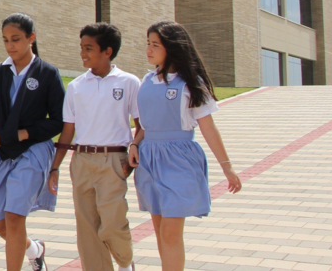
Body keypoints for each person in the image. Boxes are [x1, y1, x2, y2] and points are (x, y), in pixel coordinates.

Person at [128, 20, 242, 271]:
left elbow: (208, 127)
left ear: (171, 48)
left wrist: (227, 167)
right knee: (160, 230)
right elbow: (146, 124)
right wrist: (135, 144)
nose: (148, 49)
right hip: (149, 159)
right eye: (148, 43)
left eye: (155, 45)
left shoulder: (191, 83)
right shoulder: (147, 81)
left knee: (170, 231)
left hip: (179, 159)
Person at [47, 23, 140, 271]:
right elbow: (68, 131)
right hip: (81, 161)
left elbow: (142, 126)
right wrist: (55, 167)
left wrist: (134, 149)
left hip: (114, 161)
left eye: (89, 48)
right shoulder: (76, 86)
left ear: (107, 51)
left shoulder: (129, 82)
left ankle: (125, 262)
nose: (82, 53)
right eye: (81, 47)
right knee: (87, 230)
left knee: (112, 223)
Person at [0, 13, 65, 271]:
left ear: (31, 38)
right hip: (2, 152)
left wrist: (26, 134)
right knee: (0, 225)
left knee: (15, 218)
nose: (10, 45)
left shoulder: (48, 73)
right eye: (5, 40)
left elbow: (58, 120)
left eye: (15, 39)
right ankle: (35, 249)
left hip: (33, 151)